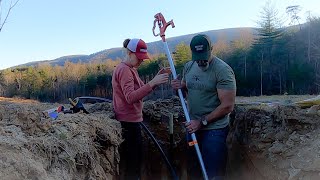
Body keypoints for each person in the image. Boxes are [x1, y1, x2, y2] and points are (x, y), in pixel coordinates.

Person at [171, 34, 236, 179]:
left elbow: (227, 106)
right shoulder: (188, 67)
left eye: (204, 55)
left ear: (211, 49)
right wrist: (178, 87)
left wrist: (202, 122)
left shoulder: (222, 70)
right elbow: (187, 91)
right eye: (197, 56)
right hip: (193, 129)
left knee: (213, 173)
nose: (200, 60)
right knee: (193, 169)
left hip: (214, 131)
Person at [112, 38, 169, 180]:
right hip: (128, 123)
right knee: (133, 165)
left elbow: (143, 90)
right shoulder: (125, 70)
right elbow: (130, 97)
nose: (141, 61)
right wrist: (152, 83)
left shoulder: (131, 69)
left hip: (132, 120)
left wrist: (155, 80)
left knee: (136, 162)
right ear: (130, 53)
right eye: (139, 58)